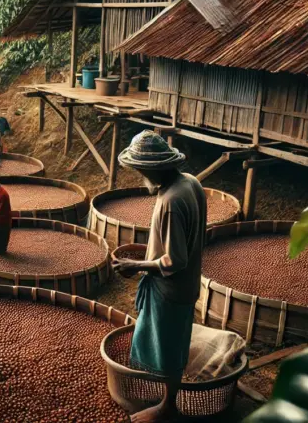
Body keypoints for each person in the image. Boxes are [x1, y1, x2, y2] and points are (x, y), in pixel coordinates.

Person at [110, 131, 206, 423]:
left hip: (171, 287)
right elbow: (186, 239)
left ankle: (167, 406)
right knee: (175, 341)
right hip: (189, 282)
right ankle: (167, 400)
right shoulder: (191, 182)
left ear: (152, 169)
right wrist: (148, 251)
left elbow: (175, 260)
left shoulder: (170, 202)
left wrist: (138, 265)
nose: (139, 175)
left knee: (167, 348)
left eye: (140, 170)